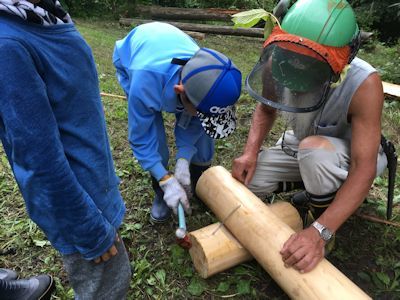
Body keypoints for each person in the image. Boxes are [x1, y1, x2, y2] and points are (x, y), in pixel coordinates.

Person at [232, 0, 387, 273]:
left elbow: (364, 168)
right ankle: (315, 192)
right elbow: (266, 108)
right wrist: (250, 152)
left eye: (309, 65)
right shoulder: (278, 61)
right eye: (292, 59)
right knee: (245, 183)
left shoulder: (365, 84)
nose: (297, 68)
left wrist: (319, 233)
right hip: (302, 147)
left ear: (342, 61)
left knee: (313, 151)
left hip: (346, 157)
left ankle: (323, 221)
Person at [0, 1, 131, 298]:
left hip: (95, 188)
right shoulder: (8, 45)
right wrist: (87, 229)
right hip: (77, 206)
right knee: (108, 286)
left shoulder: (45, 12)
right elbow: (38, 158)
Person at [113, 22, 242, 223]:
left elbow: (198, 121)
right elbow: (140, 138)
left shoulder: (209, 72)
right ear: (180, 92)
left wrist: (184, 157)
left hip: (166, 53)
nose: (202, 118)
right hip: (134, 59)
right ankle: (162, 189)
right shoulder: (144, 84)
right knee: (154, 137)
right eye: (201, 112)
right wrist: (165, 179)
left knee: (203, 130)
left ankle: (199, 178)